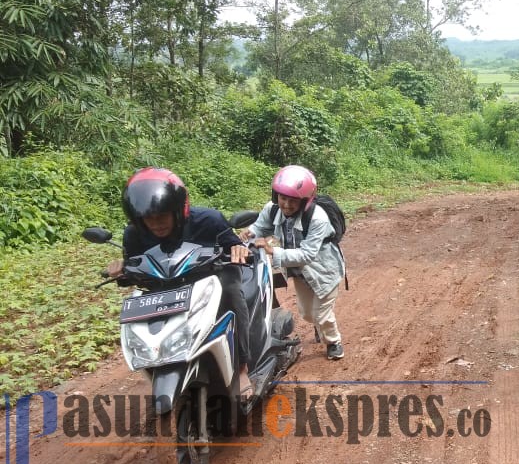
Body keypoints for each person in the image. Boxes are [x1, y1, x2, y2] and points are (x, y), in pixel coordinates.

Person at [106, 167, 256, 397]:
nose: (155, 224)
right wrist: (121, 269)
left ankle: (242, 365)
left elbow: (235, 246)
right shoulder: (134, 234)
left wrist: (237, 249)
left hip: (211, 277)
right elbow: (133, 265)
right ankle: (159, 364)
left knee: (232, 292)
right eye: (148, 218)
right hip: (167, 289)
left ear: (179, 210)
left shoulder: (209, 221)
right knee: (140, 307)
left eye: (162, 215)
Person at [239, 165, 345, 360]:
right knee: (307, 314)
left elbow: (307, 255)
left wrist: (273, 251)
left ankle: (334, 342)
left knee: (321, 315)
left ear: (305, 201)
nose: (286, 205)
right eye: (283, 198)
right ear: (275, 195)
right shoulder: (272, 209)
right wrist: (250, 232)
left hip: (324, 271)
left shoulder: (318, 218)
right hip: (299, 273)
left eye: (293, 200)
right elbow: (260, 226)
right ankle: (319, 326)